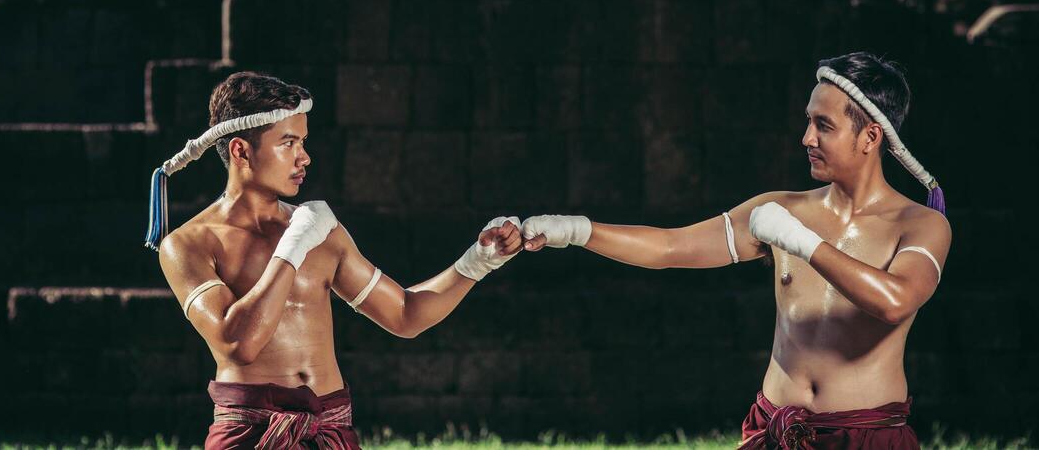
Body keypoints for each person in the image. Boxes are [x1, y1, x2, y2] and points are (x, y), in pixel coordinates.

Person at [518, 53, 950, 448]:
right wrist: (573, 229)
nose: (806, 137)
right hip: (774, 430)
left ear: (871, 136)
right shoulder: (782, 208)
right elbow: (672, 246)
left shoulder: (921, 225)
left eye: (824, 125)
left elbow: (896, 302)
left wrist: (800, 241)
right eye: (808, 121)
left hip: (867, 435)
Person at [144, 70, 522, 450]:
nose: (304, 157)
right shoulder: (187, 245)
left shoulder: (319, 231)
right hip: (249, 434)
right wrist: (293, 247)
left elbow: (405, 314)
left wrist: (479, 261)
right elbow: (239, 344)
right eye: (288, 143)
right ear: (241, 151)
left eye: (303, 141)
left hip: (330, 430)